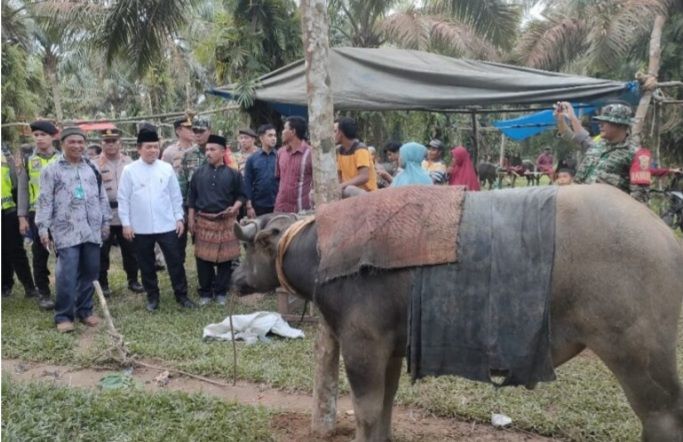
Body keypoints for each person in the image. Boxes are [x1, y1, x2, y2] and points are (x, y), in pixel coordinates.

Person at [35, 127, 111, 332]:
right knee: (66, 275)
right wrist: (43, 228)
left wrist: (105, 221)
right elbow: (44, 201)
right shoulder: (51, 170)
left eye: (80, 142)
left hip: (91, 230)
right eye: (72, 142)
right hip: (66, 230)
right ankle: (63, 316)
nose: (77, 146)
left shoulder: (92, 167)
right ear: (63, 144)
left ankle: (85, 310)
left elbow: (101, 195)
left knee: (90, 272)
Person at [118, 128, 196, 312]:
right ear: (139, 149)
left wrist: (179, 218)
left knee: (175, 261)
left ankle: (182, 295)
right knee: (146, 264)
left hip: (166, 223)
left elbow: (175, 196)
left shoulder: (166, 168)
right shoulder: (129, 171)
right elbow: (123, 199)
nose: (153, 150)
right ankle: (152, 297)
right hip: (140, 226)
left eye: (155, 147)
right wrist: (126, 223)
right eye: (148, 147)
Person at [188, 135, 245, 306]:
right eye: (207, 149)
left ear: (223, 151)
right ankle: (205, 292)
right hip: (203, 221)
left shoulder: (233, 174)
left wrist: (235, 207)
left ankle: (221, 292)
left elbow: (242, 195)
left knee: (225, 260)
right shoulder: (198, 173)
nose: (208, 153)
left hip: (225, 221)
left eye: (212, 149)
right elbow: (192, 198)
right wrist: (191, 219)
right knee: (203, 259)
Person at [555, 101, 643, 201]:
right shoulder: (597, 145)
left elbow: (639, 197)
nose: (600, 125)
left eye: (606, 122)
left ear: (621, 125)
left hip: (608, 212)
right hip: (581, 206)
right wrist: (562, 119)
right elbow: (572, 135)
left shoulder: (636, 155)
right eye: (601, 121)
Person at [17, 120, 60, 309]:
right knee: (39, 255)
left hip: (61, 214)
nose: (40, 138)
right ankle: (43, 293)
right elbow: (23, 190)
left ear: (52, 137)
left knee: (65, 253)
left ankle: (67, 289)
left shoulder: (62, 158)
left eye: (44, 135)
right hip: (37, 215)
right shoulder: (28, 160)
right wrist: (22, 217)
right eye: (36, 135)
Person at [95, 127, 144, 296]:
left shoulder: (129, 162)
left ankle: (133, 280)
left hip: (126, 213)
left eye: (114, 141)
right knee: (102, 251)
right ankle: (103, 283)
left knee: (131, 250)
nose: (110, 144)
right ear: (101, 143)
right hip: (104, 213)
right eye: (106, 141)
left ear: (120, 143)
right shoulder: (94, 163)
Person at [2, 145, 40, 299]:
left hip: (8, 210)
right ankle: (5, 285)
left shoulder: (5, 157)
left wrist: (21, 215)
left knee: (15, 251)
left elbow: (17, 185)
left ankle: (29, 287)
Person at [274, 116, 313, 213]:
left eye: (285, 128)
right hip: (280, 209)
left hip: (302, 212)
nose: (282, 132)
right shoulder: (280, 153)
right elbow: (278, 178)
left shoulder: (311, 154)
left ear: (293, 131)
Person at [334, 116, 377, 197]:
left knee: (349, 189)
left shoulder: (360, 149)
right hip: (347, 190)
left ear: (341, 133)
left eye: (335, 131)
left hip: (367, 193)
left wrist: (342, 185)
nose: (333, 134)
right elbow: (339, 176)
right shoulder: (341, 151)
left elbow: (364, 177)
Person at [244, 124, 279, 217]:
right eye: (270, 135)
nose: (273, 138)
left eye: (275, 135)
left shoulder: (280, 157)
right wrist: (249, 207)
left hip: (278, 205)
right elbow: (247, 183)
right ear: (261, 138)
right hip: (258, 206)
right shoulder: (252, 159)